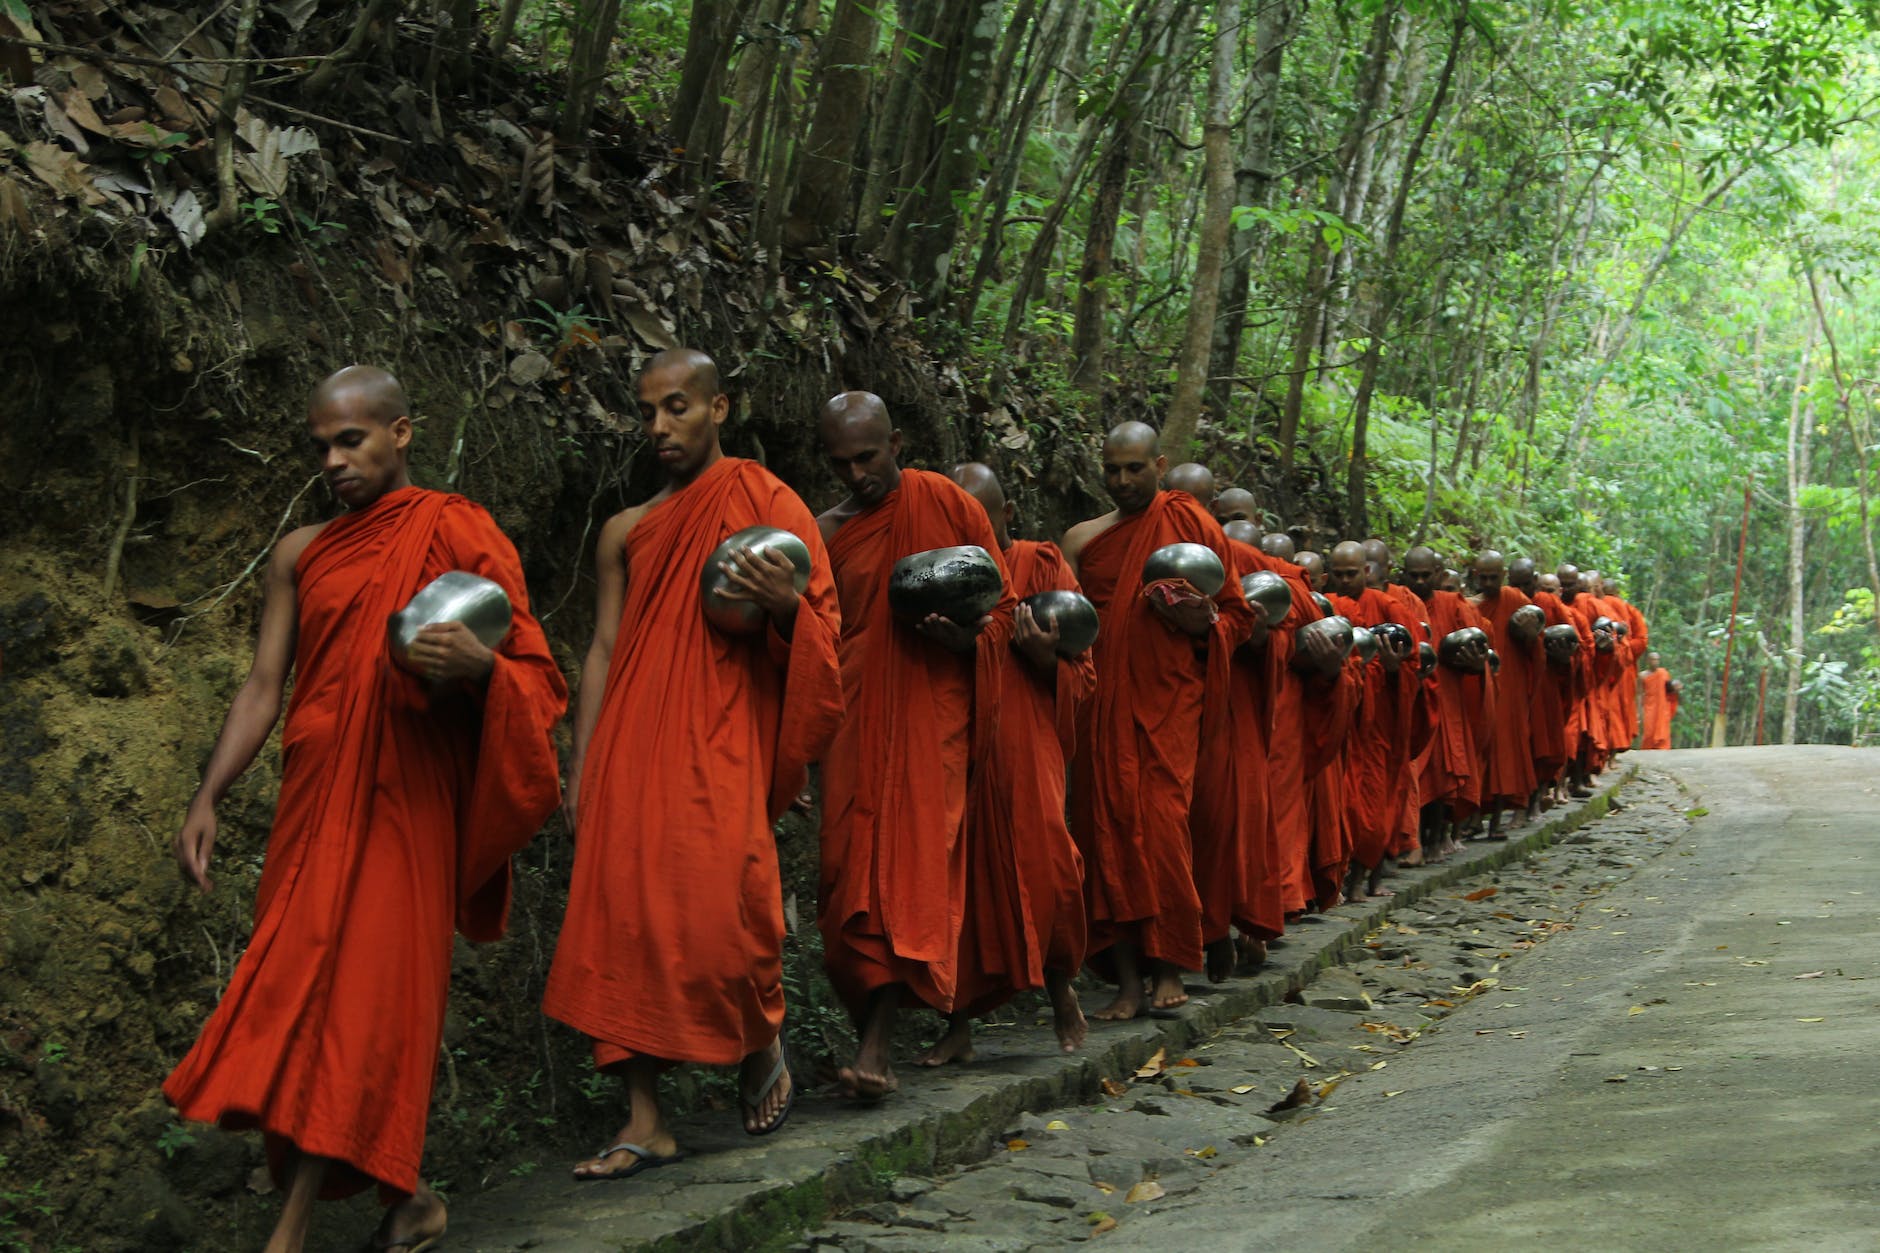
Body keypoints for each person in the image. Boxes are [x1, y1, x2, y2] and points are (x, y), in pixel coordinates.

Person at [163, 367, 567, 1253]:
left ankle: (292, 1230)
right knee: (302, 989)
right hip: (316, 803)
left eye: (352, 440)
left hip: (409, 799)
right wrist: (209, 793)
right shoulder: (301, 551)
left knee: (365, 999)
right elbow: (265, 684)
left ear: (402, 432)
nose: (335, 461)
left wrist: (481, 669)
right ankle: (413, 1200)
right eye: (321, 447)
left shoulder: (457, 529)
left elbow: (536, 676)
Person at [543, 350, 845, 1179]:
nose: (660, 427)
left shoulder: (767, 501)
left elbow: (821, 629)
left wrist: (785, 607)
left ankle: (759, 1038)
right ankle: (645, 1118)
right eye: (648, 412)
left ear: (720, 407)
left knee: (728, 906)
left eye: (677, 407)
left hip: (722, 734)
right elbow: (604, 645)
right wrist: (583, 758)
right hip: (631, 740)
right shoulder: (627, 528)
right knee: (618, 923)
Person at [815, 392, 1015, 1100]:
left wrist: (966, 639)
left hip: (934, 710)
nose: (856, 473)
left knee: (907, 873)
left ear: (897, 441)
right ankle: (876, 1030)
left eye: (868, 456)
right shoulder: (824, 530)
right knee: (845, 877)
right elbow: (813, 631)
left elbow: (1005, 604)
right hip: (853, 714)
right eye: (841, 462)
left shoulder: (946, 502)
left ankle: (876, 1049)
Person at [1062, 424, 1256, 1018]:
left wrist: (1204, 624)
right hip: (1099, 706)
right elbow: (1067, 621)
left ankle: (1168, 963)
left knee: (1163, 826)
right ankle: (1126, 981)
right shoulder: (1081, 539)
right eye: (1112, 469)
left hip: (1168, 702)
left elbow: (1237, 616)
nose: (1122, 481)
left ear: (1160, 464)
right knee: (1103, 832)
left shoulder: (1192, 525)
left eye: (1134, 469)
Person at [918, 462, 1092, 1064]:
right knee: (957, 875)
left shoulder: (1042, 564)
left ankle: (1062, 990)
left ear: (1006, 516)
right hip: (956, 735)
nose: (970, 536)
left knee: (1048, 863)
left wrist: (1045, 657)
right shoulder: (941, 574)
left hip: (1025, 739)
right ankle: (957, 1024)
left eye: (981, 520)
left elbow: (1083, 669)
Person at [1326, 541, 1423, 899]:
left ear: (1367, 571)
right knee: (1343, 802)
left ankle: (1370, 876)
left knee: (1379, 802)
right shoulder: (1327, 605)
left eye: (1352, 573)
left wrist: (1396, 670)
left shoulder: (1389, 607)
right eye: (1338, 573)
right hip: (1340, 715)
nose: (1346, 579)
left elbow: (1415, 664)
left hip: (1381, 719)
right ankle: (1342, 877)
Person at [1403, 546, 1491, 858]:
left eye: (1426, 575)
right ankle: (1414, 838)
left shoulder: (1453, 605)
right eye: (1413, 575)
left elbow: (1476, 650)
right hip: (1412, 696)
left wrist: (1472, 661)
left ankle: (1437, 836)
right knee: (1413, 769)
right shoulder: (1400, 602)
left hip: (1447, 698)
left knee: (1442, 773)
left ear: (1439, 575)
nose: (1420, 581)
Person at [1469, 550, 1542, 837]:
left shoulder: (1516, 601)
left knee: (1504, 755)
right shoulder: (1470, 605)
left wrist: (1530, 635)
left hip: (1509, 688)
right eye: (1483, 577)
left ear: (1503, 577)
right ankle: (1473, 817)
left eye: (1493, 578)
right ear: (1475, 576)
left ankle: (1497, 821)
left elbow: (1537, 642)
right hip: (1481, 687)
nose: (1488, 583)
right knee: (1479, 753)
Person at [1639, 650, 1676, 749]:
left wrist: (1675, 688)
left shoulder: (1663, 673)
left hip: (1662, 707)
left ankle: (1661, 748)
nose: (1655, 662)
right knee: (1649, 731)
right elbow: (1639, 693)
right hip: (1649, 706)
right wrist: (1639, 710)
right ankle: (1647, 749)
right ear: (1648, 661)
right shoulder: (1642, 675)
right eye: (1652, 660)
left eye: (1657, 660)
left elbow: (1669, 691)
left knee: (1662, 730)